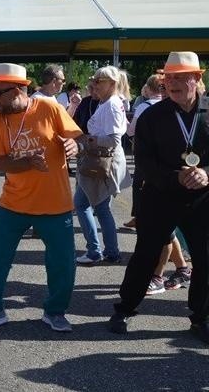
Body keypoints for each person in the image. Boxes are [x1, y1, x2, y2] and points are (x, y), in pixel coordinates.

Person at [0, 63, 82, 332]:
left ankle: (55, 312)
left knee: (62, 262)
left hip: (55, 202)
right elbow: (0, 163)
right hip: (14, 203)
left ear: (20, 89)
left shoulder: (49, 108)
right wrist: (29, 162)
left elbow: (75, 138)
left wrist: (73, 146)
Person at [108, 51, 209, 345]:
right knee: (146, 254)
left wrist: (206, 173)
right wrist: (174, 176)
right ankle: (124, 309)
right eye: (169, 78)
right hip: (160, 196)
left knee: (204, 258)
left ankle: (199, 317)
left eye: (180, 77)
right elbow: (144, 163)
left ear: (197, 78)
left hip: (202, 198)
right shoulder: (152, 116)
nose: (173, 83)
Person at [74, 66, 131, 265]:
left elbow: (114, 139)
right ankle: (110, 252)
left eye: (99, 81)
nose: (94, 85)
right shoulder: (110, 102)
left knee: (83, 204)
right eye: (94, 80)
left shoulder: (112, 104)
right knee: (101, 208)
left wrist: (88, 139)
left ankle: (95, 251)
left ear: (112, 84)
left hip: (102, 162)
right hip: (102, 162)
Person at [124, 74, 165, 229]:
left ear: (148, 88)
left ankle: (139, 217)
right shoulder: (168, 103)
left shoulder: (144, 106)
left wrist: (124, 119)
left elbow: (130, 131)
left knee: (139, 184)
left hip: (145, 152)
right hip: (164, 153)